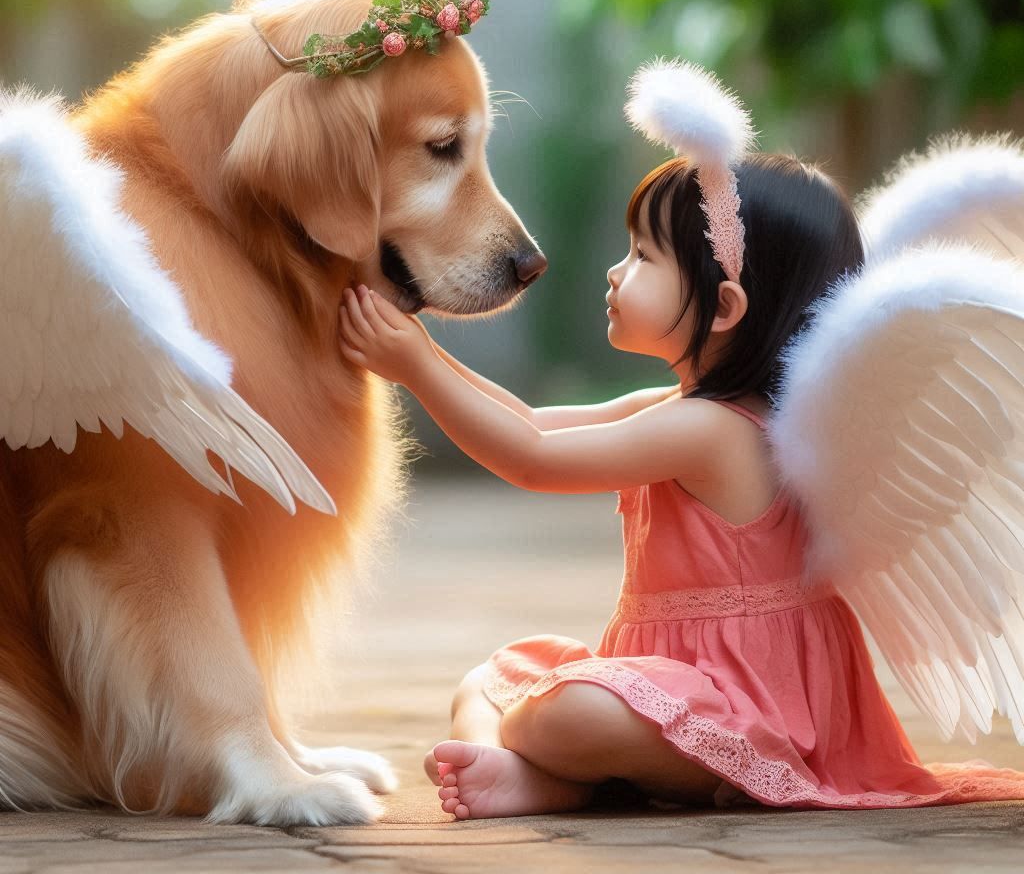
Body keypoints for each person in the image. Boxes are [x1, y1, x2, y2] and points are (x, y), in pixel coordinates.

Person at [338, 61, 1024, 820]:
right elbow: (534, 425)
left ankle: (556, 770)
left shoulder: (712, 433)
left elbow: (532, 460)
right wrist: (422, 357)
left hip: (749, 707)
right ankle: (534, 774)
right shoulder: (683, 407)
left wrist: (417, 365)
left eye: (642, 257)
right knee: (495, 678)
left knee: (562, 712)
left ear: (725, 305)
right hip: (663, 678)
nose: (613, 271)